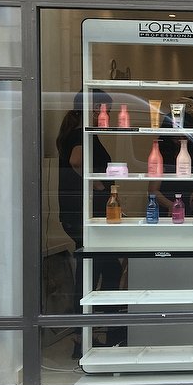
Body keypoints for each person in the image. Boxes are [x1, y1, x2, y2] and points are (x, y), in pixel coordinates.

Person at [56, 90, 123, 311]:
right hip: (83, 212)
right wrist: (97, 184)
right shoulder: (80, 133)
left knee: (98, 268)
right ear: (96, 109)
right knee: (93, 270)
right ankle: (86, 325)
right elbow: (77, 161)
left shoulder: (76, 132)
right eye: (108, 112)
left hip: (80, 212)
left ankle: (91, 323)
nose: (109, 117)